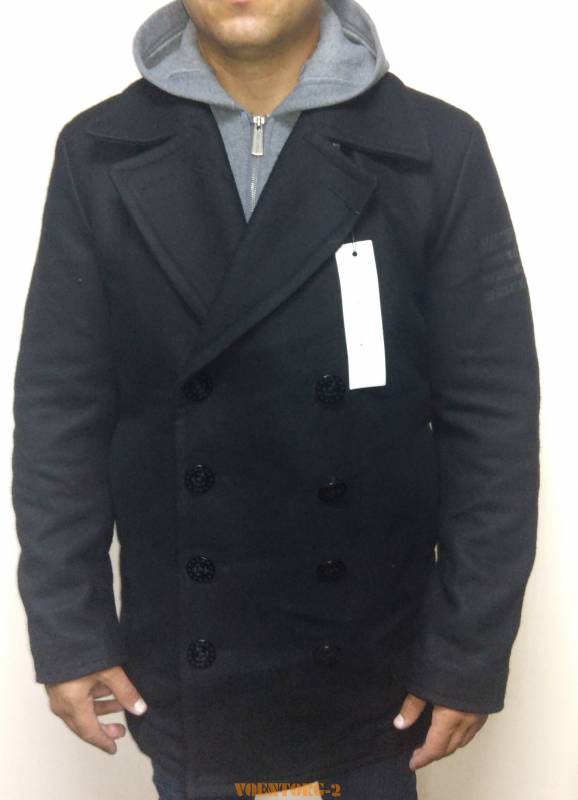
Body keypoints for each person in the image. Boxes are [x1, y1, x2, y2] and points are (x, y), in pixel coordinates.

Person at [11, 1, 541, 799]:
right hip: (189, 669)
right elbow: (59, 414)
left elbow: (492, 424)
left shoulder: (435, 150)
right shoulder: (99, 151)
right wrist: (70, 629)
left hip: (373, 672)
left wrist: (468, 651)